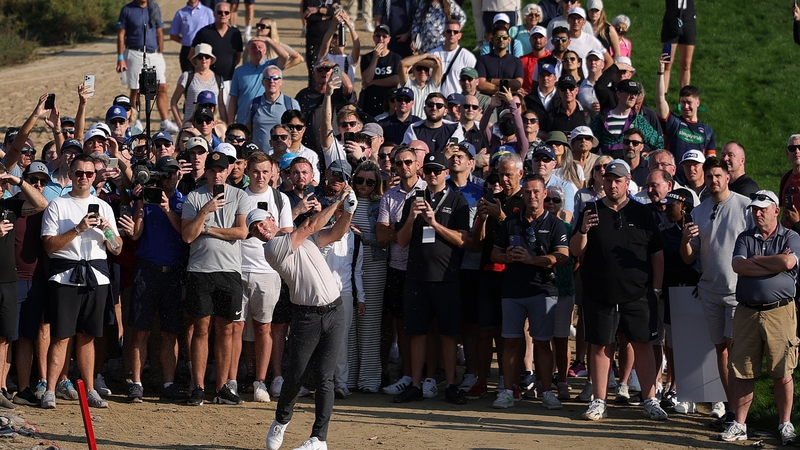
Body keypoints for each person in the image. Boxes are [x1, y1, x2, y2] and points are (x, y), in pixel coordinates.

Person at [255, 187, 357, 450]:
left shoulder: (305, 239)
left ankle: (319, 439)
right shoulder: (272, 248)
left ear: (272, 220)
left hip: (334, 311)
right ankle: (281, 420)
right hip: (306, 317)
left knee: (325, 378)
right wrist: (338, 201)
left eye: (262, 223)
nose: (261, 230)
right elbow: (310, 225)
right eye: (255, 229)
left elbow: (337, 233)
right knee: (296, 375)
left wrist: (349, 211)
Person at [569, 159, 668, 421]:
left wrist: (656, 288)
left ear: (627, 182)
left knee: (643, 345)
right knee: (601, 346)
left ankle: (650, 399)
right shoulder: (590, 210)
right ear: (602, 181)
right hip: (599, 293)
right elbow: (576, 250)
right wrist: (583, 229)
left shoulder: (642, 213)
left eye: (618, 180)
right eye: (609, 180)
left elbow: (657, 253)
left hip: (639, 294)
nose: (612, 185)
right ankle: (599, 400)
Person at [40, 154, 122, 409]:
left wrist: (106, 230)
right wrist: (78, 229)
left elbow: (117, 248)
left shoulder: (104, 206)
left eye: (88, 173)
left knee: (88, 337)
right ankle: (50, 390)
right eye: (79, 173)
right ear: (71, 174)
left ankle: (90, 389)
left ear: (94, 176)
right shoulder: (57, 205)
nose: (83, 178)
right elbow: (49, 246)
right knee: (61, 336)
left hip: (96, 278)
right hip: (65, 278)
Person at [721, 190, 799, 445]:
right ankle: (739, 424)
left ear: (776, 210)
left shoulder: (791, 236)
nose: (758, 214)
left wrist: (757, 260)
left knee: (782, 370)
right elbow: (739, 266)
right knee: (743, 370)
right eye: (754, 209)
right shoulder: (745, 237)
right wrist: (772, 265)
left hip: (780, 312)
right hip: (747, 312)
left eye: (763, 209)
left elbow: (788, 263)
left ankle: (785, 424)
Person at [392, 152, 470, 404]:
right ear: (422, 173)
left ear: (446, 172)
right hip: (416, 277)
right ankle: (415, 384)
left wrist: (434, 223)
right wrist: (412, 217)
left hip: (446, 277)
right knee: (417, 332)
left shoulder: (457, 201)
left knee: (448, 333)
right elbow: (401, 241)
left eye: (438, 170)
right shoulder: (413, 200)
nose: (433, 174)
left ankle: (450, 385)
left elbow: (462, 240)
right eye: (428, 170)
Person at [679, 157, 752, 424]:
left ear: (727, 177)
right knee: (721, 349)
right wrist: (685, 239)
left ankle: (740, 413)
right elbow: (689, 257)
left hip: (737, 290)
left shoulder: (745, 206)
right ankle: (732, 409)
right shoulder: (699, 211)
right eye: (709, 177)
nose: (713, 181)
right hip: (709, 290)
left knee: (735, 351)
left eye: (718, 176)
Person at [490, 173, 568, 409]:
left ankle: (546, 392)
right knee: (511, 342)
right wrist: (507, 257)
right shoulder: (510, 222)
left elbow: (563, 256)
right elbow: (494, 254)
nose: (532, 196)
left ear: (545, 194)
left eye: (536, 192)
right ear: (522, 194)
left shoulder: (555, 223)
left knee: (542, 343)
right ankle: (508, 391)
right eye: (527, 192)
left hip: (542, 290)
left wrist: (532, 260)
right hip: (512, 290)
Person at [181, 150, 250, 406]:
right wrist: (205, 211)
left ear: (228, 170)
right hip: (200, 270)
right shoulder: (194, 197)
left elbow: (241, 232)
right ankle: (198, 387)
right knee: (201, 330)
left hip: (229, 271)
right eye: (212, 170)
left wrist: (207, 229)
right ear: (207, 172)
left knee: (226, 330)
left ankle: (222, 387)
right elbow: (188, 235)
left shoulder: (239, 195)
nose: (217, 175)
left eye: (221, 170)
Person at [124, 156, 189, 402]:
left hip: (173, 273)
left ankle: (169, 383)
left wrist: (168, 210)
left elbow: (186, 234)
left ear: (179, 175)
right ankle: (136, 383)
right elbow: (135, 234)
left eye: (173, 172)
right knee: (140, 331)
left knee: (170, 333)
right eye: (165, 173)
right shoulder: (146, 199)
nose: (170, 177)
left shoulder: (184, 201)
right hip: (147, 271)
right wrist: (140, 203)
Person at [240, 152, 294, 402]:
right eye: (255, 171)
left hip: (269, 271)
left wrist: (269, 228)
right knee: (240, 329)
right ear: (247, 171)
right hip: (239, 268)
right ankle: (246, 377)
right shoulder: (238, 196)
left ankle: (261, 382)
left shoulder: (280, 198)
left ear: (273, 172)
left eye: (265, 171)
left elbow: (287, 233)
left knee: (264, 327)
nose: (260, 176)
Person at [377, 146, 426, 394]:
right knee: (401, 324)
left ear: (417, 164)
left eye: (408, 162)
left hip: (424, 268)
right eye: (399, 163)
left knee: (428, 325)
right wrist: (402, 230)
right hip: (397, 267)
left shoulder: (428, 191)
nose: (404, 166)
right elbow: (381, 233)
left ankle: (427, 376)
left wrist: (394, 230)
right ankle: (406, 375)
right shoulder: (389, 196)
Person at [347, 161, 388, 392]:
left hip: (374, 266)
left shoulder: (382, 203)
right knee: (350, 324)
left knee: (369, 324)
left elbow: (386, 239)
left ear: (377, 183)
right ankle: (349, 378)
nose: (364, 185)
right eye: (360, 180)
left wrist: (364, 237)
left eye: (370, 182)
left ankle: (369, 380)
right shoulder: (345, 201)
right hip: (347, 267)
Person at [116, 0, 178, 133]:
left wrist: (160, 53)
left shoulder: (154, 7)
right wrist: (120, 58)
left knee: (162, 87)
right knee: (136, 89)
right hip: (134, 52)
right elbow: (121, 34)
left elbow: (159, 32)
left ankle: (165, 121)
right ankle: (136, 121)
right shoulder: (127, 10)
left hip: (154, 53)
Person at [655, 54, 716, 184]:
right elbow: (660, 100)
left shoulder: (707, 131)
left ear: (697, 103)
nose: (685, 106)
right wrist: (661, 71)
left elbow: (711, 163)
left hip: (696, 185)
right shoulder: (673, 123)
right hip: (674, 183)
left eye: (689, 102)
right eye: (682, 102)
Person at [590, 80, 663, 158]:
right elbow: (591, 145)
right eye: (629, 93)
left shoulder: (638, 120)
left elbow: (659, 144)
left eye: (635, 94)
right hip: (607, 164)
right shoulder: (602, 118)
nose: (633, 97)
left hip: (630, 164)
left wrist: (649, 155)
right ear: (618, 94)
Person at [190, 2, 244, 105]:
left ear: (230, 15)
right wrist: (202, 72)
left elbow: (237, 57)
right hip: (209, 81)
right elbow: (192, 55)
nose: (223, 15)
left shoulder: (235, 33)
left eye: (226, 12)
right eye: (220, 12)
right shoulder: (204, 32)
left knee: (228, 110)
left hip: (229, 81)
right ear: (214, 14)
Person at [227, 39, 290, 125]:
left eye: (260, 47)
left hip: (265, 121)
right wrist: (230, 122)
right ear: (248, 51)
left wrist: (268, 40)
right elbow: (233, 98)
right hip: (243, 121)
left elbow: (285, 56)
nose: (257, 49)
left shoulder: (271, 66)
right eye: (253, 47)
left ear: (265, 50)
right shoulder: (239, 71)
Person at [170, 44, 228, 127]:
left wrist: (225, 125)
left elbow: (221, 104)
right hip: (191, 124)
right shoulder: (187, 77)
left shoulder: (218, 79)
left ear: (210, 59)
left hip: (212, 125)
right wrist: (180, 123)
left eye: (207, 56)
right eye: (200, 57)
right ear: (196, 60)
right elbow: (174, 100)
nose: (204, 59)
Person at [245, 66, 301, 151]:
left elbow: (298, 132)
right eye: (267, 78)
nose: (271, 81)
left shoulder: (292, 104)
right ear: (262, 82)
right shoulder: (253, 104)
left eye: (275, 78)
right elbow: (248, 132)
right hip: (259, 156)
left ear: (281, 81)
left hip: (284, 155)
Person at [360, 25, 402, 118]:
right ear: (373, 38)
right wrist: (375, 58)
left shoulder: (395, 58)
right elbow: (367, 79)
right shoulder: (367, 58)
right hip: (371, 102)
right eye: (378, 36)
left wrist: (374, 82)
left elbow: (396, 79)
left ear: (389, 39)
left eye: (384, 36)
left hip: (389, 102)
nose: (381, 39)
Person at [429, 20, 477, 98]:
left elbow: (474, 81)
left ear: (459, 35)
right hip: (436, 100)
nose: (452, 34)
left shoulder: (468, 57)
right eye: (449, 31)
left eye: (455, 32)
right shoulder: (433, 54)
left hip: (458, 100)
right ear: (443, 34)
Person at [475, 24, 524, 96]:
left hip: (510, 99)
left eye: (504, 37)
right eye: (497, 37)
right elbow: (480, 84)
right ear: (492, 40)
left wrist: (492, 81)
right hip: (488, 100)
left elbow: (517, 84)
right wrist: (503, 91)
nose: (501, 40)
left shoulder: (516, 61)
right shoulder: (482, 60)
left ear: (509, 40)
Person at [170, 0, 215, 72]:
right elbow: (173, 34)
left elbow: (214, 32)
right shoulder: (180, 13)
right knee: (188, 75)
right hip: (187, 50)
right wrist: (185, 41)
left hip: (204, 50)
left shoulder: (207, 12)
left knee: (204, 74)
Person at [318, 10, 361, 85]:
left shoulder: (350, 59)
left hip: (346, 91)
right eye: (335, 36)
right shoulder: (327, 57)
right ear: (331, 41)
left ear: (346, 43)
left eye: (341, 36)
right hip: (331, 91)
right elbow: (324, 46)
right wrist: (333, 25)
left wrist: (349, 24)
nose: (338, 38)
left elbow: (357, 47)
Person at [661, 0, 696, 90]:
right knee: (667, 62)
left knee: (686, 64)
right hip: (671, 20)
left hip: (688, 20)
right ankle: (662, 96)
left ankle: (684, 96)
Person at [398, 54, 443, 118]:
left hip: (428, 123)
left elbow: (437, 64)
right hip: (411, 123)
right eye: (419, 68)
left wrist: (413, 63)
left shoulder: (433, 85)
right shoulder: (408, 85)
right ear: (413, 71)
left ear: (429, 72)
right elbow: (402, 63)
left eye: (426, 69)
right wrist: (425, 55)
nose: (422, 71)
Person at [519, 26, 550, 93]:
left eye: (540, 37)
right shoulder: (522, 60)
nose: (537, 40)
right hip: (528, 96)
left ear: (546, 40)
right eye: (535, 37)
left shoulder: (552, 58)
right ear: (530, 40)